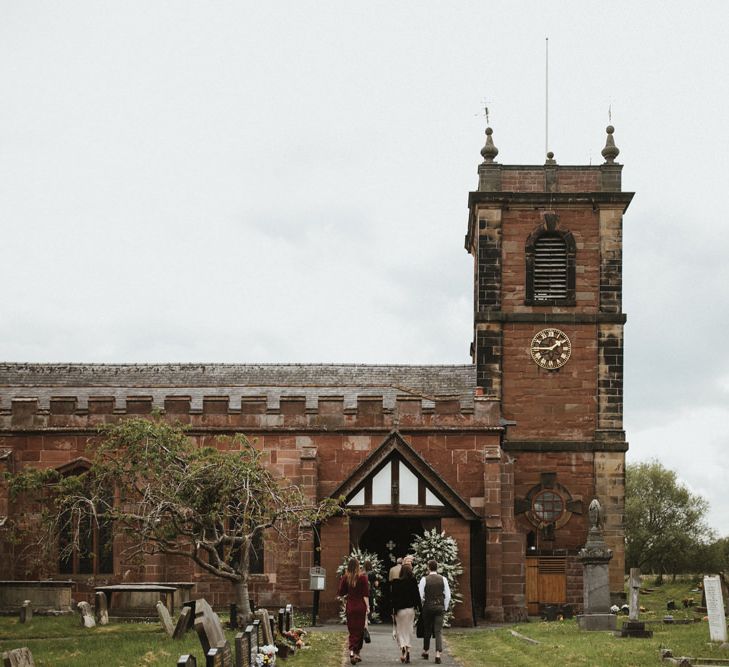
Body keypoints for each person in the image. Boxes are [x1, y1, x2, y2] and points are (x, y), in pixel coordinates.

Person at [337, 557, 370, 665]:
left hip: (351, 606)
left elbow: (341, 592)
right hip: (360, 606)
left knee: (352, 631)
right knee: (360, 631)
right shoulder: (363, 578)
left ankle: (352, 651)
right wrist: (368, 607)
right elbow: (365, 595)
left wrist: (344, 602)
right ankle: (356, 652)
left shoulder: (346, 577)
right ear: (357, 566)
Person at [418, 559, 451, 664]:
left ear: (428, 568)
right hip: (439, 607)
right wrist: (445, 607)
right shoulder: (443, 579)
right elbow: (448, 595)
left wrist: (423, 603)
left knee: (427, 629)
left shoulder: (424, 579)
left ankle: (426, 651)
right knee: (438, 631)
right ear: (437, 568)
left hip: (428, 607)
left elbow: (420, 594)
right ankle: (437, 654)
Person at [390, 561, 421, 663]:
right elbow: (417, 596)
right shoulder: (413, 581)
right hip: (410, 610)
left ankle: (402, 646)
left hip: (400, 611)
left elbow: (393, 599)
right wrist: (420, 609)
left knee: (400, 630)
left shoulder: (395, 583)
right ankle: (408, 648)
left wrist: (393, 611)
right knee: (409, 629)